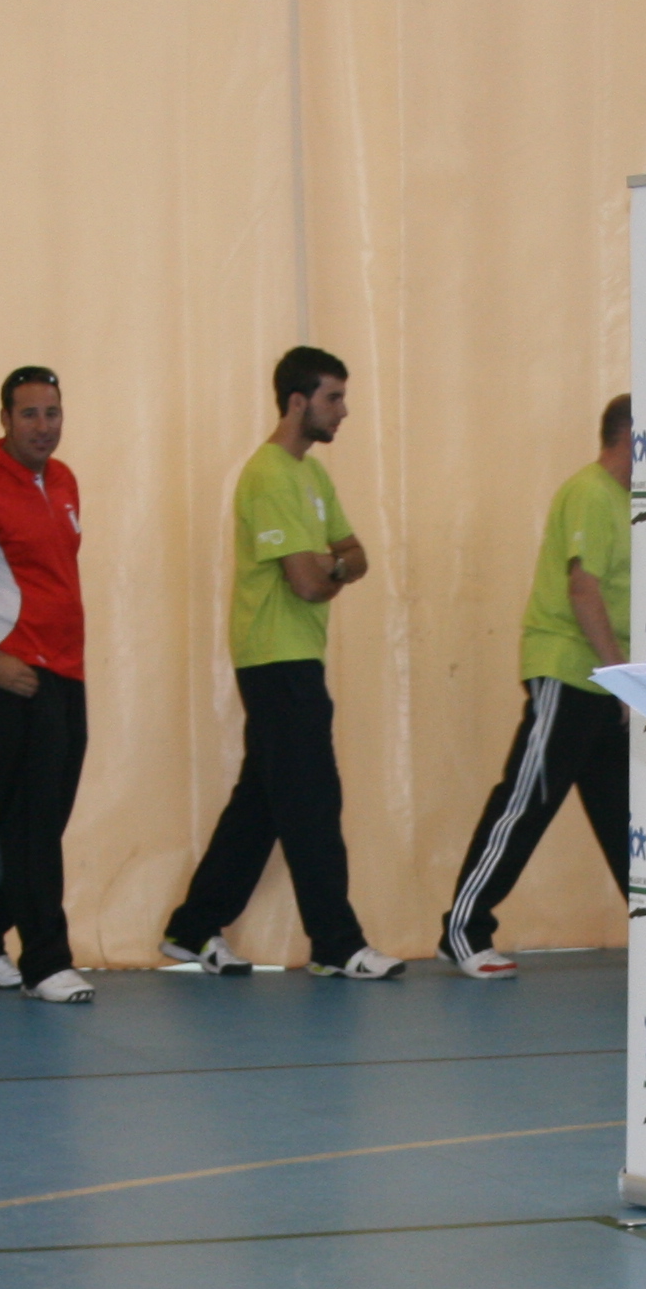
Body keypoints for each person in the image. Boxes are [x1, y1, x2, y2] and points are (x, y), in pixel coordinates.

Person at [164, 346, 402, 978]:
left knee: (264, 802)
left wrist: (333, 566)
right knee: (313, 801)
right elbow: (306, 582)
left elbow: (355, 554)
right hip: (275, 659)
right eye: (333, 398)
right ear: (298, 402)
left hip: (297, 656)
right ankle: (335, 944)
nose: (343, 411)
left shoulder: (312, 476)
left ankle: (192, 927)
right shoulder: (268, 475)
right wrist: (332, 569)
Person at [436, 395, 634, 978]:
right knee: (525, 803)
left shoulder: (632, 503)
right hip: (569, 672)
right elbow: (583, 590)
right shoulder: (590, 492)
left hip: (605, 685)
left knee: (624, 817)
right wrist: (621, 675)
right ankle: (463, 927)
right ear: (630, 436)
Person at [0, 366, 94, 1003]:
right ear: (4, 420)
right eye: (29, 413)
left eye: (52, 412)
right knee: (33, 821)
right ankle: (46, 961)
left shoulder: (63, 480)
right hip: (13, 677)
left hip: (66, 670)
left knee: (39, 819)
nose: (42, 425)